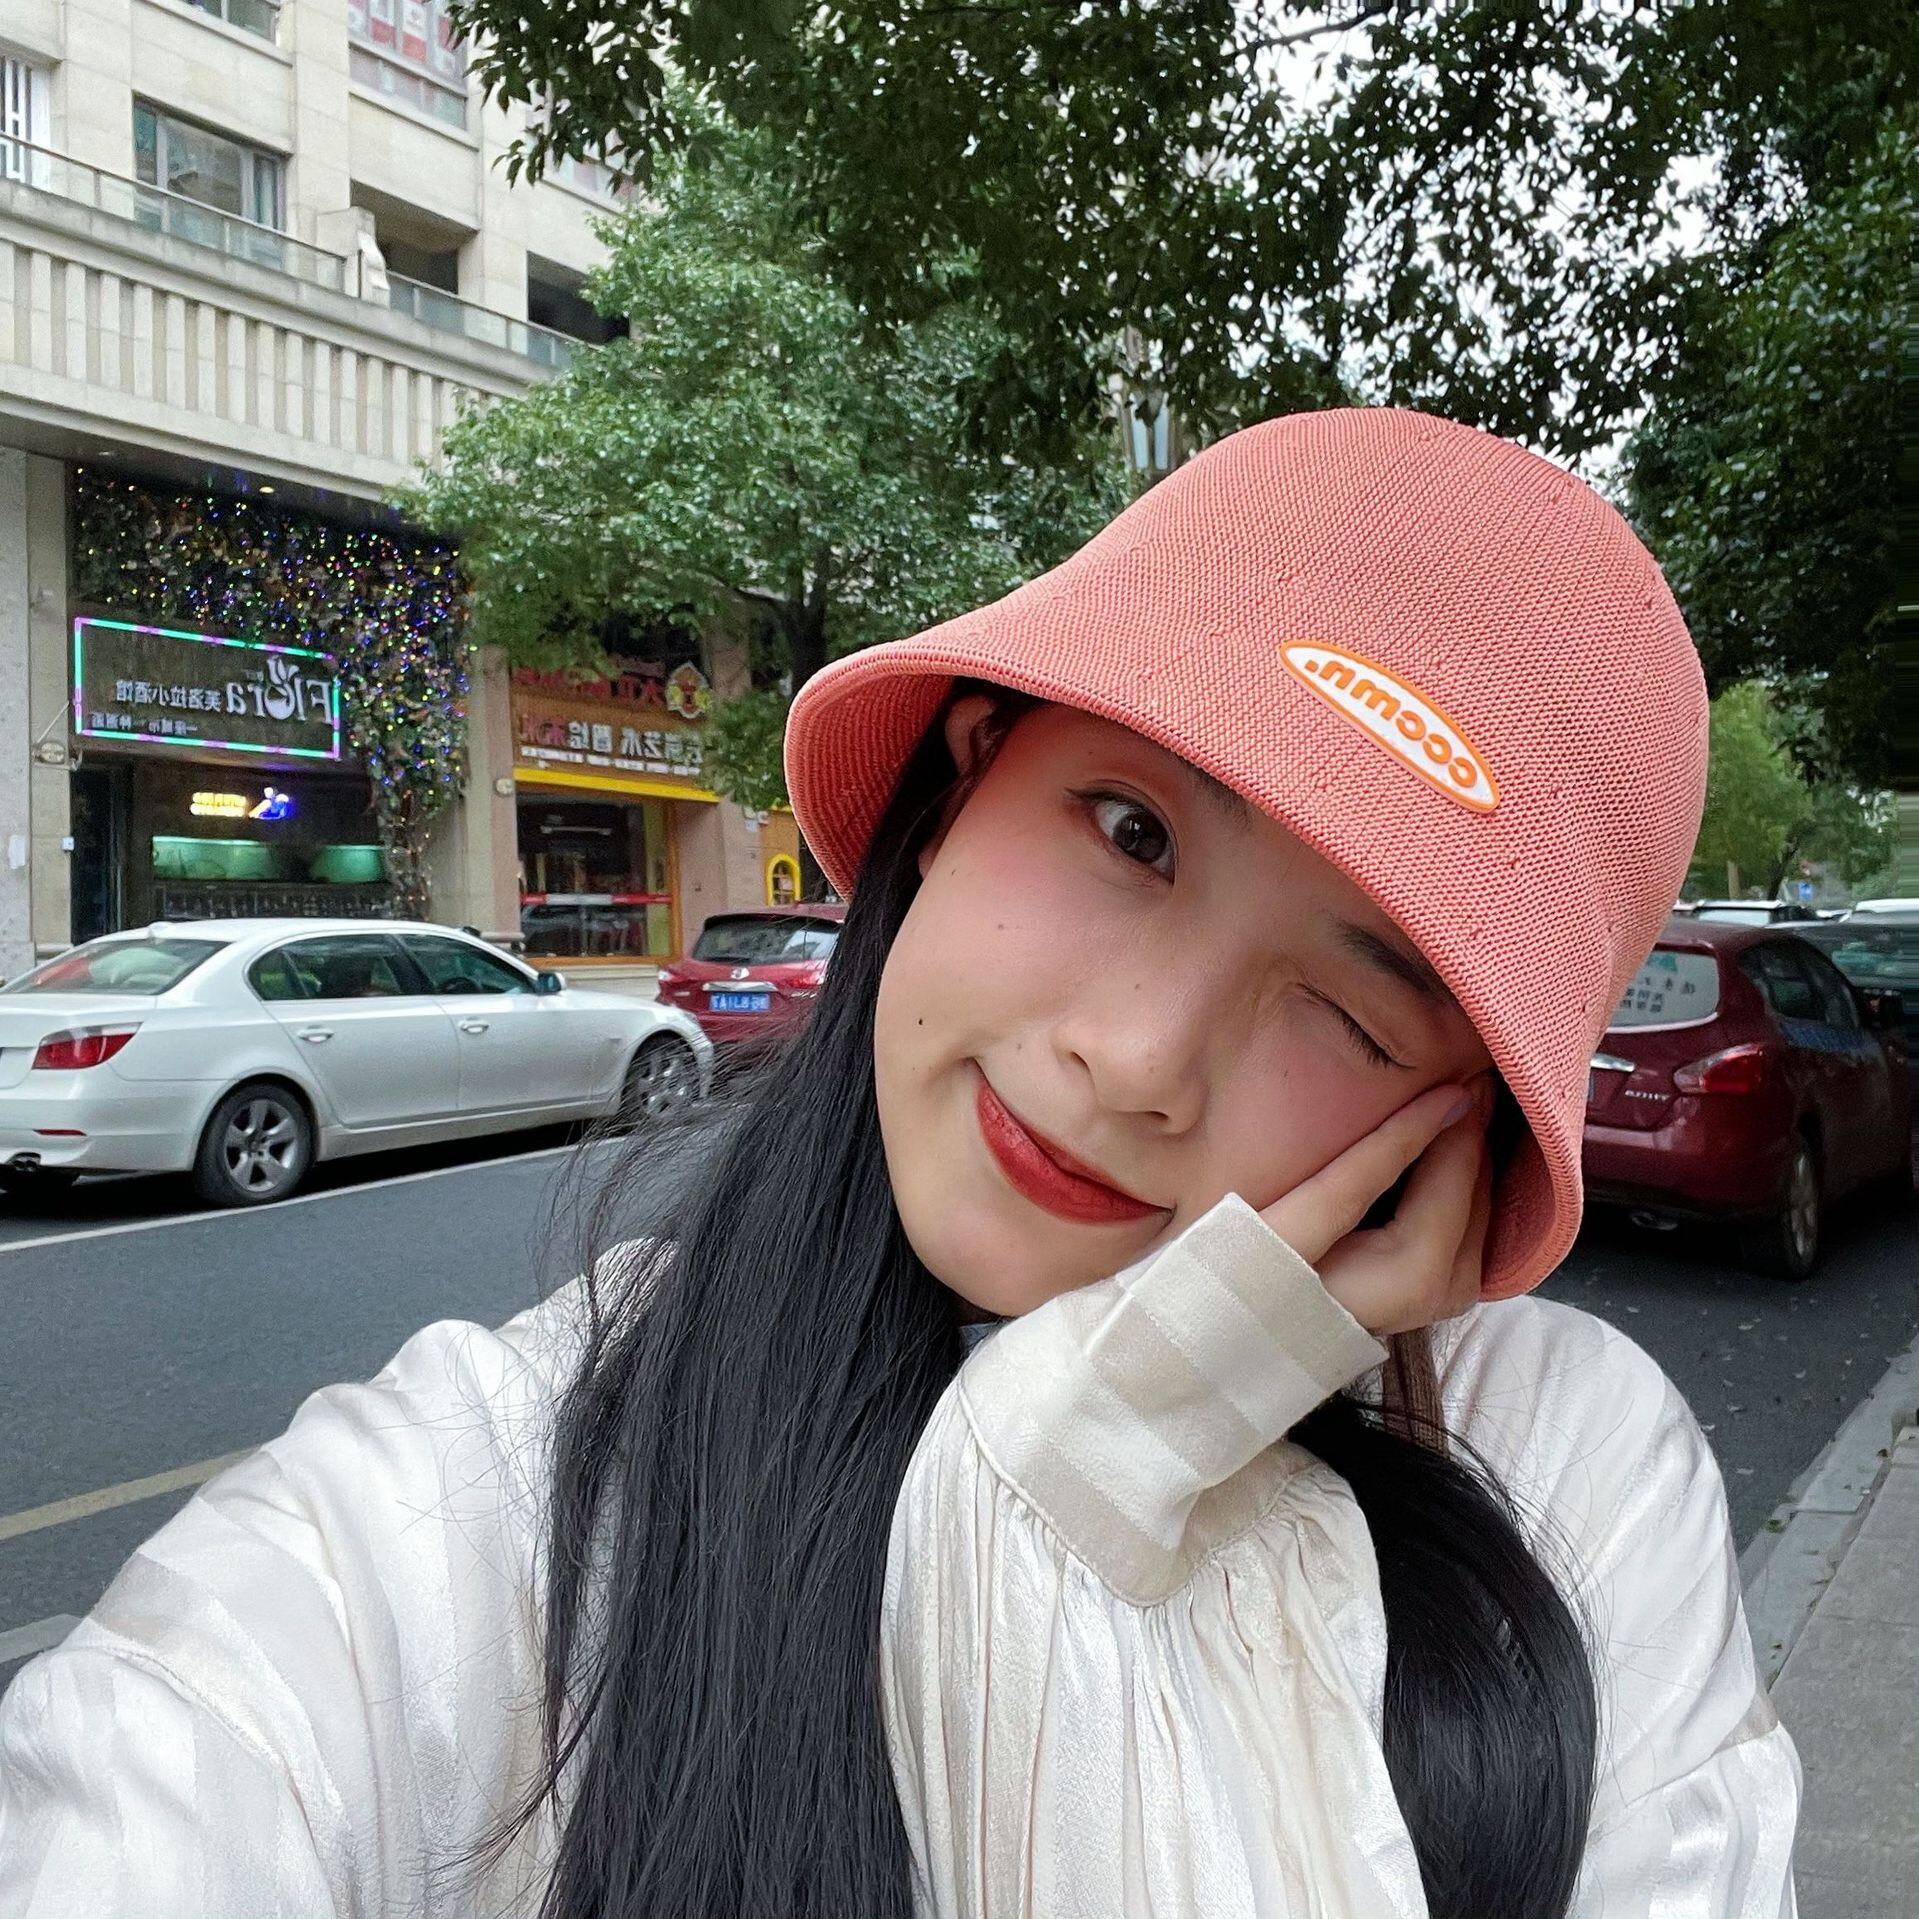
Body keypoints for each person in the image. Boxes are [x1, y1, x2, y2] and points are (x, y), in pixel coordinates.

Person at [0, 409, 1800, 1917]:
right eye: (1131, 833)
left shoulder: (1564, 1474)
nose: (1137, 1060)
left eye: (1349, 1009)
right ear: (963, 783)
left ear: (1461, 1115)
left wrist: (1089, 1482)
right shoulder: (459, 1515)